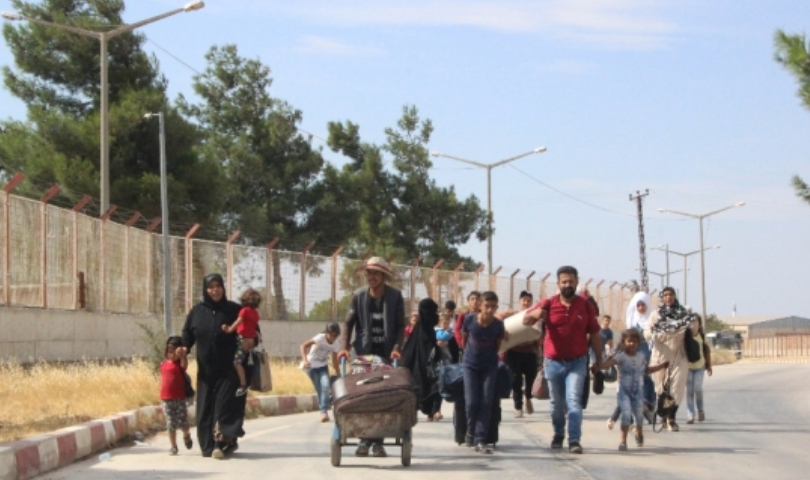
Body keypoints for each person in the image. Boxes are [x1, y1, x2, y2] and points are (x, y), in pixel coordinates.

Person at [523, 266, 602, 454]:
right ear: (558, 284)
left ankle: (574, 440)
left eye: (571, 281)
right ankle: (558, 433)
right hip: (553, 363)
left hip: (577, 362)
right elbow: (526, 320)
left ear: (576, 282)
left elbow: (595, 334)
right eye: (564, 282)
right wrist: (535, 315)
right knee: (557, 404)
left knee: (574, 400)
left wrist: (599, 360)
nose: (568, 284)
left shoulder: (585, 305)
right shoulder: (548, 303)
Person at [338, 257, 405, 458]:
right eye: (368, 273)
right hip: (363, 354)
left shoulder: (395, 297)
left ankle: (377, 443)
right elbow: (348, 324)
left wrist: (396, 348)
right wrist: (344, 348)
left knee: (382, 396)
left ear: (383, 276)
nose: (371, 277)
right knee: (363, 396)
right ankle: (364, 440)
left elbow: (401, 327)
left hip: (385, 355)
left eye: (375, 273)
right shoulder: (358, 297)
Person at [181, 274, 246, 459]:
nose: (215, 290)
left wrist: (250, 340)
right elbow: (187, 334)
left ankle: (222, 443)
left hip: (229, 369)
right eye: (211, 287)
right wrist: (184, 348)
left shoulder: (233, 310)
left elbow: (250, 328)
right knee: (205, 409)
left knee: (223, 407)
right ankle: (208, 446)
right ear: (205, 289)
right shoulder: (197, 312)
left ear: (223, 288)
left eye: (218, 286)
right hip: (206, 372)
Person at [598, 329, 669, 451]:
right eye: (629, 341)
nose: (632, 344)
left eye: (635, 341)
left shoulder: (641, 357)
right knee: (625, 414)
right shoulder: (621, 357)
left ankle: (639, 434)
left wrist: (662, 366)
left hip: (638, 392)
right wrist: (598, 365)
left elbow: (648, 370)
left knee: (639, 416)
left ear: (639, 343)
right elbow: (609, 363)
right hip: (624, 391)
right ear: (624, 342)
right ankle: (623, 441)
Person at [461, 291, 506, 454]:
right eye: (487, 306)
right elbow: (464, 339)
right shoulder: (469, 320)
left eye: (493, 307)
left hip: (489, 366)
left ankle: (480, 439)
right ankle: (470, 431)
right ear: (480, 305)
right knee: (472, 402)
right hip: (470, 366)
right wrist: (467, 356)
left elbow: (498, 345)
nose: (489, 310)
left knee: (486, 402)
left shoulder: (497, 325)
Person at [645, 287, 693, 432]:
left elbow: (694, 329)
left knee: (677, 387)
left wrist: (692, 323)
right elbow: (646, 332)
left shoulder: (683, 314)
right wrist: (655, 331)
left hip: (679, 355)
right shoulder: (655, 315)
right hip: (660, 355)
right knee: (661, 389)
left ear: (674, 296)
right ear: (662, 297)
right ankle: (663, 416)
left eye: (670, 294)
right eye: (665, 295)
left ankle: (671, 418)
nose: (668, 297)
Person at [403, 298, 443, 423]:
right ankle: (431, 411)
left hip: (427, 364)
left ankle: (434, 410)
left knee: (434, 383)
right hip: (420, 365)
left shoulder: (427, 328)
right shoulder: (422, 330)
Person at [504, 291, 540, 418]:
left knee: (531, 379)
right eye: (524, 300)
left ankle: (528, 397)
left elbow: (539, 334)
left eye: (529, 301)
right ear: (520, 302)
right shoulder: (513, 317)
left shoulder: (535, 317)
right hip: (514, 353)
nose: (526, 303)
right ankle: (518, 407)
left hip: (530, 353)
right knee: (516, 381)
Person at [221, 288, 261, 397]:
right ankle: (247, 380)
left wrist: (229, 329)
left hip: (242, 339)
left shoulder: (244, 311)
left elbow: (238, 322)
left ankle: (243, 383)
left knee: (237, 362)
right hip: (251, 340)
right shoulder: (256, 313)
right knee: (245, 361)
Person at [300, 322, 341, 422]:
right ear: (327, 333)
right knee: (319, 389)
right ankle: (323, 410)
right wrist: (305, 360)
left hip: (323, 366)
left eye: (335, 336)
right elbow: (303, 346)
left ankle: (324, 412)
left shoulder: (336, 344)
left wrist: (339, 374)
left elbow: (335, 361)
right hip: (311, 366)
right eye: (331, 335)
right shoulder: (320, 338)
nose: (333, 338)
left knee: (326, 386)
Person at [625, 292, 656, 421]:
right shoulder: (632, 318)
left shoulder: (652, 318)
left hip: (647, 348)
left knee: (645, 374)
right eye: (638, 305)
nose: (641, 308)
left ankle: (649, 401)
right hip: (633, 349)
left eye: (643, 305)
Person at [160, 336, 193, 455]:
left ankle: (186, 435)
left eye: (175, 353)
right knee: (171, 424)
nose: (172, 355)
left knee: (183, 422)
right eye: (170, 352)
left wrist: (183, 355)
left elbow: (184, 366)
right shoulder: (163, 364)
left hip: (179, 399)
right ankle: (173, 446)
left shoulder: (179, 365)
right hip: (166, 399)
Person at [685, 315, 712, 424]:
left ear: (699, 324)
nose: (693, 324)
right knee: (689, 391)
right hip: (688, 367)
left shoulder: (702, 336)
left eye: (695, 322)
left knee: (697, 388)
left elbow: (707, 351)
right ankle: (690, 414)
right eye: (691, 322)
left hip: (700, 366)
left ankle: (700, 410)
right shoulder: (685, 337)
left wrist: (709, 365)